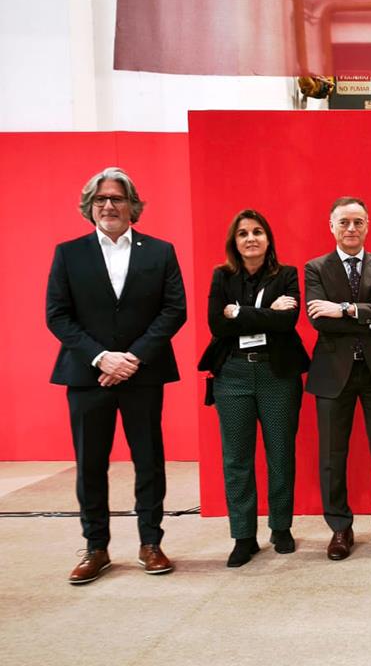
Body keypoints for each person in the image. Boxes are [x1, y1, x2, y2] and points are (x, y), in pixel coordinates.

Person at [46, 167, 187, 584]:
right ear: (90, 207)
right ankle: (96, 547)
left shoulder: (159, 251)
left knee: (149, 461)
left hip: (142, 374)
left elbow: (173, 310)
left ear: (133, 206)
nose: (109, 205)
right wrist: (102, 357)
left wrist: (133, 358)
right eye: (101, 199)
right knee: (90, 464)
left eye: (118, 199)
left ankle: (150, 543)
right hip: (88, 375)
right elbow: (57, 314)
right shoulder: (68, 253)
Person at [198, 209, 310, 567]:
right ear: (235, 241)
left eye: (258, 232)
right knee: (237, 459)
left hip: (277, 375)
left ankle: (280, 528)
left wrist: (239, 313)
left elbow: (288, 320)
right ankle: (243, 536)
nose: (251, 238)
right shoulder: (222, 276)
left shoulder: (287, 275)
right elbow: (217, 324)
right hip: (232, 376)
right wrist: (262, 315)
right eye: (243, 233)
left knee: (280, 454)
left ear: (268, 239)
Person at [304, 196, 371, 561]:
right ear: (331, 226)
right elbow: (318, 319)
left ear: (368, 226)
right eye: (344, 222)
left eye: (358, 222)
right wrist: (370, 312)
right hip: (333, 375)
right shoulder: (315, 268)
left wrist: (345, 309)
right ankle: (340, 528)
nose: (351, 229)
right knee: (333, 455)